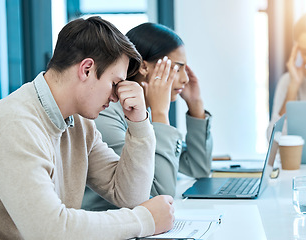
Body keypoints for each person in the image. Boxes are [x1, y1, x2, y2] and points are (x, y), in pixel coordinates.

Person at [0, 17, 175, 239]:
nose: (117, 97)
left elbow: (129, 195)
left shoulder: (78, 123)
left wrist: (139, 122)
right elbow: (50, 231)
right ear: (87, 69)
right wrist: (144, 220)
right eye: (115, 83)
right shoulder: (16, 126)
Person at [82, 22, 213, 211]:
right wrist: (161, 113)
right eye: (177, 68)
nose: (185, 79)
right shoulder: (106, 113)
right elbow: (159, 193)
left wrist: (196, 106)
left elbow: (198, 168)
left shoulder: (142, 110)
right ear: (144, 67)